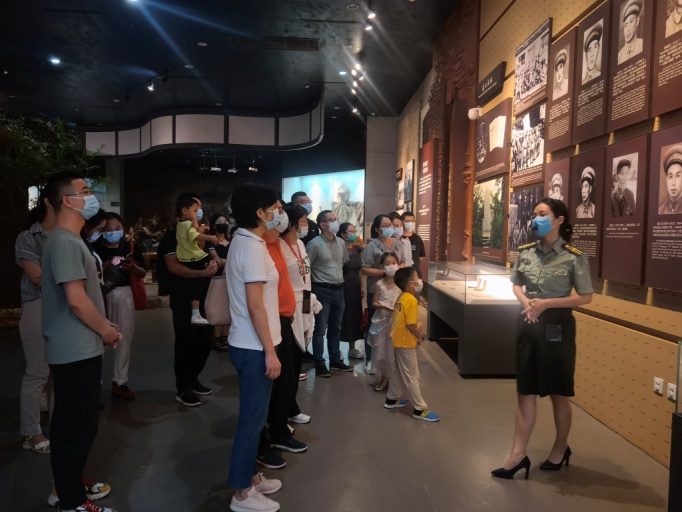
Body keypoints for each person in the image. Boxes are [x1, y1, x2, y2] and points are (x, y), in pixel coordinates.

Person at [492, 198, 593, 480]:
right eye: (535, 214)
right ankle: (517, 454)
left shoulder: (573, 256)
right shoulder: (526, 252)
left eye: (543, 214)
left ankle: (561, 448)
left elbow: (585, 296)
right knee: (525, 390)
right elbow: (516, 283)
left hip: (557, 327)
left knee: (559, 392)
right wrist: (526, 302)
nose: (536, 219)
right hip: (528, 322)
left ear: (559, 220)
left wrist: (547, 303)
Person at [41, 172, 120, 512]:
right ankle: (70, 500)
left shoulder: (70, 240)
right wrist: (106, 330)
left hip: (78, 345)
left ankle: (67, 484)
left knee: (74, 422)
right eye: (85, 191)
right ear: (67, 201)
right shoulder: (64, 241)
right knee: (77, 425)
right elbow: (75, 300)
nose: (91, 197)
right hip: (74, 349)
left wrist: (102, 325)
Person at [226, 183, 283, 512]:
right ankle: (242, 493)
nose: (280, 213)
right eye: (276, 207)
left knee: (255, 418)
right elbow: (255, 304)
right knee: (251, 421)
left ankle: (250, 476)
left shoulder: (245, 240)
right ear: (260, 212)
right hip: (254, 346)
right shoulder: (252, 248)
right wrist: (270, 351)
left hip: (250, 343)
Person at [157, 193, 218, 407]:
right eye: (195, 208)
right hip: (184, 295)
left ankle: (193, 378)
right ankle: (183, 387)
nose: (198, 212)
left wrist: (214, 264)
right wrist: (200, 273)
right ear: (184, 210)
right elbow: (173, 266)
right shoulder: (172, 236)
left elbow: (210, 254)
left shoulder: (198, 233)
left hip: (205, 295)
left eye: (200, 208)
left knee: (205, 338)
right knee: (186, 339)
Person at [259, 200, 308, 460]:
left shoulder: (282, 244)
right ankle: (265, 440)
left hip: (289, 316)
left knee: (288, 378)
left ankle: (279, 428)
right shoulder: (258, 246)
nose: (282, 216)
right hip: (272, 320)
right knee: (271, 384)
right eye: (278, 211)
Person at [15, 191, 55, 454]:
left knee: (58, 373)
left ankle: (58, 425)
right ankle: (31, 433)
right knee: (38, 372)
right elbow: (37, 278)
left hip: (64, 308)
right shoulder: (29, 236)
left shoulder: (68, 235)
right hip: (38, 306)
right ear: (51, 202)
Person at [95, 212, 146, 401]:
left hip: (125, 294)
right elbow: (92, 271)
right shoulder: (95, 247)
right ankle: (94, 386)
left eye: (117, 228)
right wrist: (108, 264)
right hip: (100, 294)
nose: (113, 232)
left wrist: (132, 267)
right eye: (108, 229)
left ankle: (120, 382)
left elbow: (142, 272)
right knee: (97, 340)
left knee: (124, 338)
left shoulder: (131, 247)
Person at [385, 267, 440, 422]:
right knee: (412, 375)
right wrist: (419, 333)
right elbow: (411, 325)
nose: (419, 280)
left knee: (397, 370)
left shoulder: (402, 296)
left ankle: (392, 399)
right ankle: (419, 409)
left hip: (397, 339)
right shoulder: (411, 300)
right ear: (410, 283)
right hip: (405, 342)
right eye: (416, 277)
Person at [279, 202, 314, 421]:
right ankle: (284, 411)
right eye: (303, 220)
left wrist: (309, 309)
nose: (306, 224)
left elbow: (306, 279)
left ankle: (292, 408)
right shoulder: (279, 246)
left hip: (305, 303)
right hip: (289, 308)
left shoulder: (301, 244)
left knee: (298, 358)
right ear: (291, 223)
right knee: (289, 363)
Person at [306, 210, 352, 377]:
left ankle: (334, 359)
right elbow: (306, 268)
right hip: (321, 289)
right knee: (320, 329)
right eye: (331, 220)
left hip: (339, 288)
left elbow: (343, 263)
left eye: (335, 219)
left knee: (336, 327)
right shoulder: (314, 244)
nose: (335, 222)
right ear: (322, 225)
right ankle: (319, 362)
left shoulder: (340, 242)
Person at [361, 214, 407, 373]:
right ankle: (370, 359)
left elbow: (404, 263)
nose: (389, 227)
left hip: (396, 290)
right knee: (374, 325)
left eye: (390, 224)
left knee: (394, 324)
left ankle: (392, 359)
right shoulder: (372, 246)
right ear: (377, 229)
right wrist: (384, 272)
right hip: (377, 290)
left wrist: (396, 269)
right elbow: (365, 268)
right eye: (385, 225)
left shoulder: (398, 244)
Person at [175, 196, 219, 325]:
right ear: (184, 210)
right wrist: (211, 238)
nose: (197, 213)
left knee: (195, 287)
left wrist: (194, 221)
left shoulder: (181, 224)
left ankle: (196, 314)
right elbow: (195, 236)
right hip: (194, 257)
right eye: (195, 211)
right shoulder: (187, 224)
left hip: (186, 257)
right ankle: (196, 314)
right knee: (198, 287)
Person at [366, 253, 401, 390]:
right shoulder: (379, 284)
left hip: (397, 320)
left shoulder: (401, 284)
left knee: (395, 351)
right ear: (382, 266)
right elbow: (374, 303)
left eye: (394, 263)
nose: (391, 266)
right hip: (382, 320)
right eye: (387, 263)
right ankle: (384, 378)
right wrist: (385, 306)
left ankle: (396, 380)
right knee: (383, 350)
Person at [338, 222, 365, 360]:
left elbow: (360, 270)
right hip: (342, 285)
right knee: (341, 316)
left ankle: (352, 348)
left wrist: (362, 286)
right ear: (343, 234)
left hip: (355, 285)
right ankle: (336, 348)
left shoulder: (357, 249)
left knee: (354, 315)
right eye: (350, 231)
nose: (353, 234)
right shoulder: (338, 248)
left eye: (354, 231)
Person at [205, 212, 231, 352]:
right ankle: (215, 339)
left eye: (224, 222)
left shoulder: (231, 242)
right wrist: (226, 262)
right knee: (216, 307)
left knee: (228, 307)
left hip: (229, 279)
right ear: (214, 225)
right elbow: (217, 260)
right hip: (215, 278)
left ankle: (225, 337)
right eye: (219, 222)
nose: (223, 224)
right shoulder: (210, 241)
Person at [401, 211, 426, 279]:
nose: (410, 223)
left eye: (412, 221)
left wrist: (413, 261)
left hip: (416, 273)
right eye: (407, 221)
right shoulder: (399, 238)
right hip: (402, 274)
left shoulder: (418, 238)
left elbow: (422, 256)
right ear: (402, 222)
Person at [618, 0, 643, 64]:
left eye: (631, 21)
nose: (627, 29)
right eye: (626, 25)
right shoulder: (619, 56)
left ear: (637, 21)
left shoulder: (642, 45)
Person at [659, 144, 682, 214]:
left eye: (678, 176)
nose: (673, 183)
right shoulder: (660, 211)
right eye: (670, 176)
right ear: (666, 179)